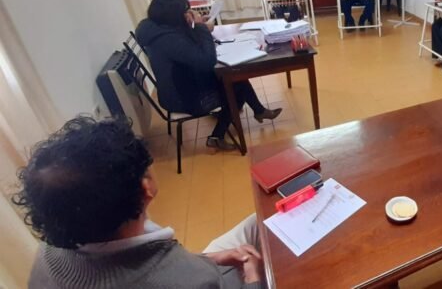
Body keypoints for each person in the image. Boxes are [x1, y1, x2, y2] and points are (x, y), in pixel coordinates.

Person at [15, 116, 265, 288]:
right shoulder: (187, 280)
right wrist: (254, 277)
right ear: (146, 187)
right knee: (260, 224)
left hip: (190, 268)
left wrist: (208, 258)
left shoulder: (47, 256)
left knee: (256, 224)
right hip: (211, 280)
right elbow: (172, 275)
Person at [135, 0, 281, 151]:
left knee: (235, 78)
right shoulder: (168, 40)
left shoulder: (158, 30)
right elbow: (206, 59)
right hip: (184, 98)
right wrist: (201, 29)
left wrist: (195, 26)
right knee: (235, 85)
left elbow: (188, 49)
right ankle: (218, 135)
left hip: (181, 85)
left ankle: (257, 111)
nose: (188, 14)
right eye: (185, 12)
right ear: (174, 16)